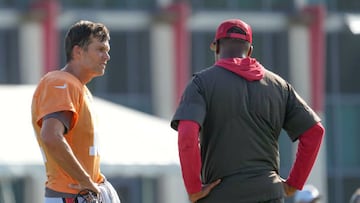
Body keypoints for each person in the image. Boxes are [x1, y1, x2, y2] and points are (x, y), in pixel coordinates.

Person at [170, 19, 325, 203]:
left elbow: (187, 137)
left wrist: (194, 189)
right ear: (250, 50)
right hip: (269, 194)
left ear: (217, 47)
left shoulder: (200, 84)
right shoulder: (280, 86)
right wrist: (294, 183)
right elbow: (315, 132)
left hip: (220, 196)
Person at [31, 20, 120, 203]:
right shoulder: (60, 82)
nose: (107, 57)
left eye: (107, 50)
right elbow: (51, 136)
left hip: (78, 195)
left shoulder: (79, 87)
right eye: (100, 50)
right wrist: (86, 181)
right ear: (78, 51)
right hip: (70, 196)